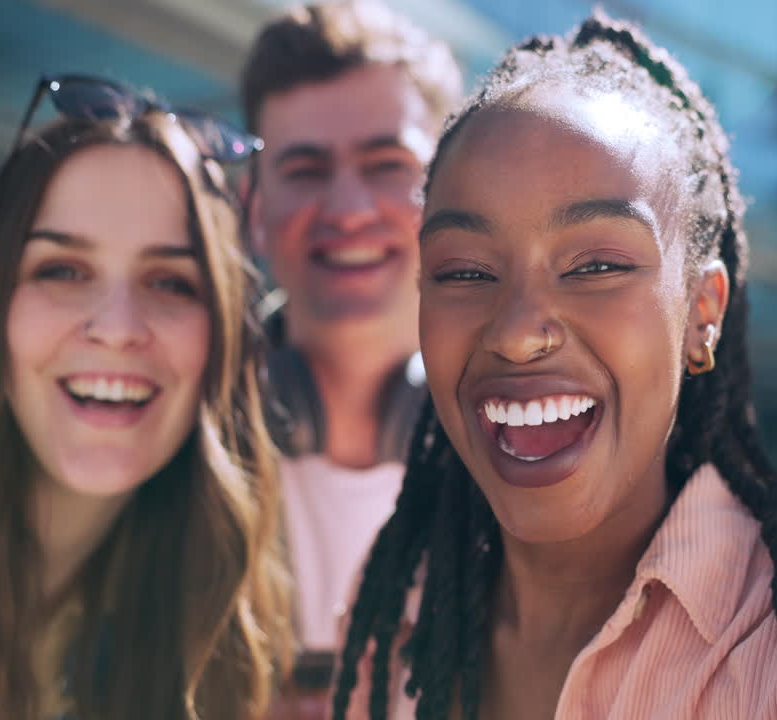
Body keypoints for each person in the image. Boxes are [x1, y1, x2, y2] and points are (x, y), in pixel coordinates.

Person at [333, 16, 777, 720]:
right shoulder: (394, 624)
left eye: (597, 266)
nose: (520, 332)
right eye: (463, 271)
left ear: (702, 313)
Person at [0, 75, 289, 720]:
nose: (119, 328)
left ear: (223, 341)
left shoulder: (214, 608)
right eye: (63, 270)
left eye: (171, 282)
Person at [237, 0, 462, 680]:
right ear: (253, 208)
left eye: (386, 163)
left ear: (451, 193)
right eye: (305, 169)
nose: (349, 210)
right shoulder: (176, 438)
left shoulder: (521, 453)